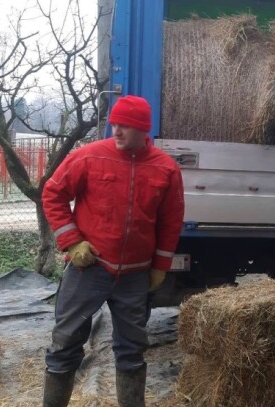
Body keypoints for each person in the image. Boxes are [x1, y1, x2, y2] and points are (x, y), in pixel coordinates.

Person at [40, 95, 185, 407]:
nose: (116, 131)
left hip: (135, 275)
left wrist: (160, 265)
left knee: (132, 349)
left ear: (143, 130)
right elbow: (52, 193)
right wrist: (71, 241)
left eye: (125, 126)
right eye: (114, 124)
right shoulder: (89, 157)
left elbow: (171, 221)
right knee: (65, 342)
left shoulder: (166, 169)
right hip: (89, 268)